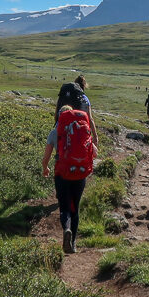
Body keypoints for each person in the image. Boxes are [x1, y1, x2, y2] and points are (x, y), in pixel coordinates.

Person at [42, 104, 97, 254]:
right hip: (79, 174)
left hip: (62, 173)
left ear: (60, 116)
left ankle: (66, 229)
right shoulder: (81, 128)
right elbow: (95, 153)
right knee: (75, 207)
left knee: (65, 206)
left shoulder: (55, 132)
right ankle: (73, 244)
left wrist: (45, 168)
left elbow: (45, 157)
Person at [55, 75, 98, 147]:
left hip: (62, 131)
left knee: (62, 153)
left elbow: (57, 112)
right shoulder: (84, 99)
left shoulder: (64, 96)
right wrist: (95, 136)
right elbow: (90, 119)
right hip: (79, 133)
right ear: (84, 85)